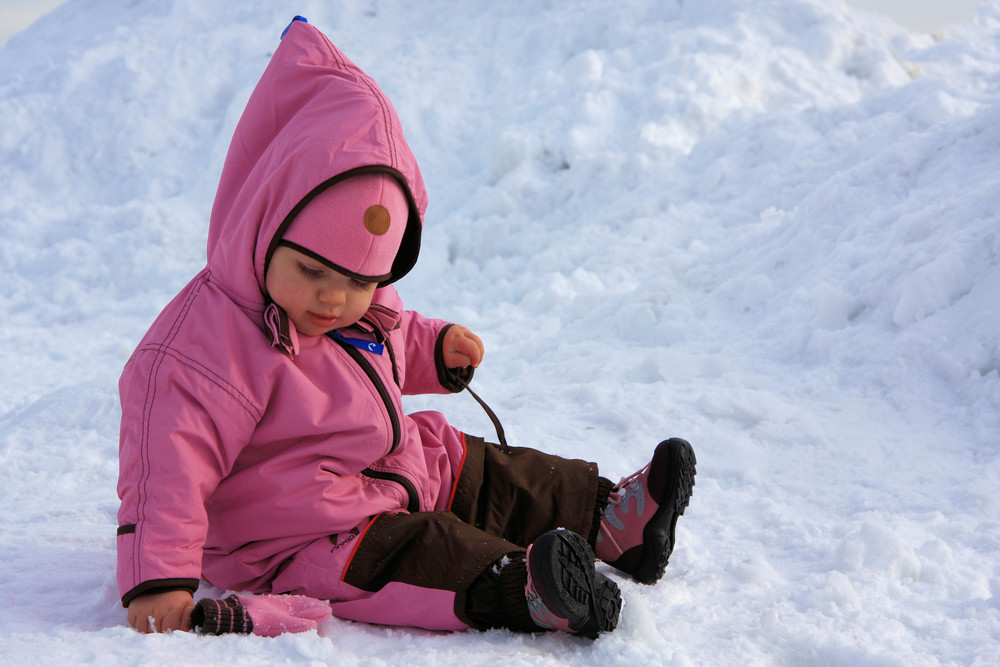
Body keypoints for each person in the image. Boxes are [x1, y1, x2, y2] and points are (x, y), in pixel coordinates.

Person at [116, 16, 696, 640]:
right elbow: (163, 475)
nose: (336, 299)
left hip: (385, 469)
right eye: (312, 270)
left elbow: (386, 341)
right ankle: (523, 587)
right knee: (418, 552)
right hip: (300, 538)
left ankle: (610, 520)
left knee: (473, 465)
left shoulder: (351, 302)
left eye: (362, 282)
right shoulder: (199, 355)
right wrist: (160, 582)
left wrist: (435, 349)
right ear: (263, 227)